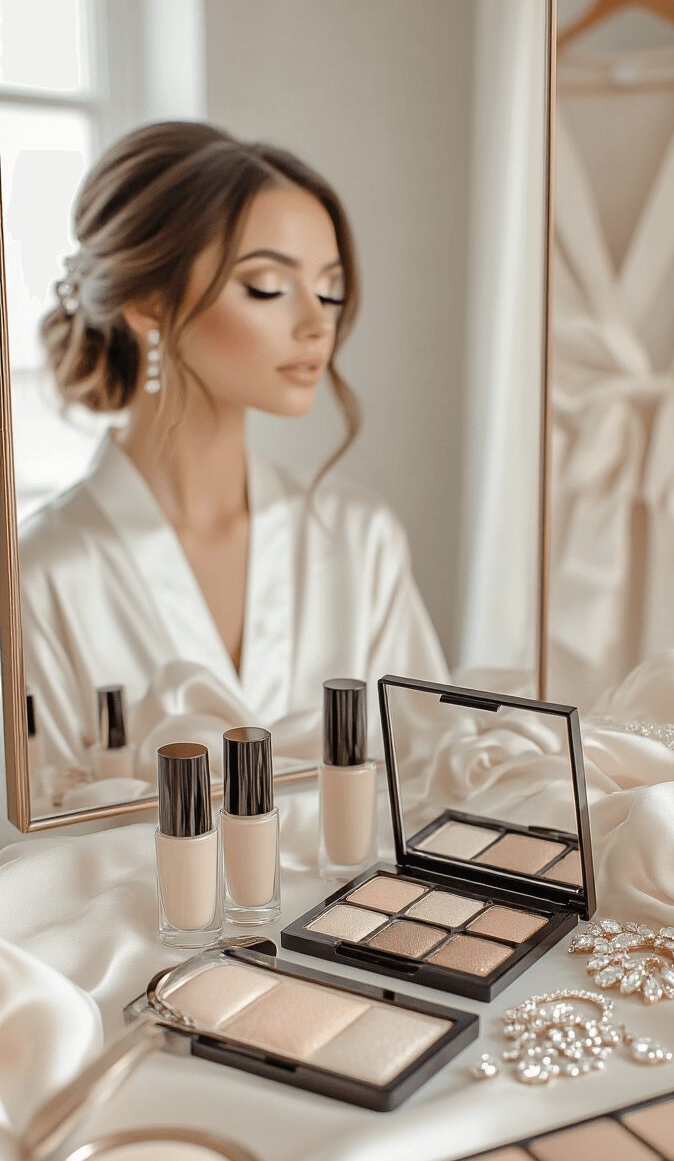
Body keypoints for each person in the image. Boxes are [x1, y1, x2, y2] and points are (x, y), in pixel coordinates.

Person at [20, 123, 447, 783]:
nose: (317, 323)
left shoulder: (359, 537)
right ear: (146, 302)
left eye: (329, 289)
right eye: (269, 287)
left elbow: (429, 777)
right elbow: (44, 850)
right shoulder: (42, 574)